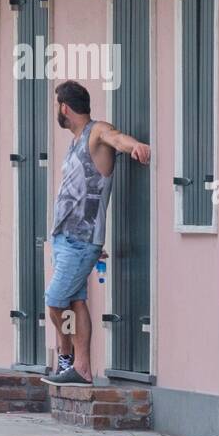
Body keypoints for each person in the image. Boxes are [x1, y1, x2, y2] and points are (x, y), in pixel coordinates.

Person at [41, 80, 151, 387]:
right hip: (67, 239)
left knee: (54, 301)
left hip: (80, 241)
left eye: (57, 107)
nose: (57, 112)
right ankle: (82, 369)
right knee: (75, 302)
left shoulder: (97, 131)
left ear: (64, 108)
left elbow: (117, 139)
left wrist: (136, 147)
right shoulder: (75, 141)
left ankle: (67, 359)